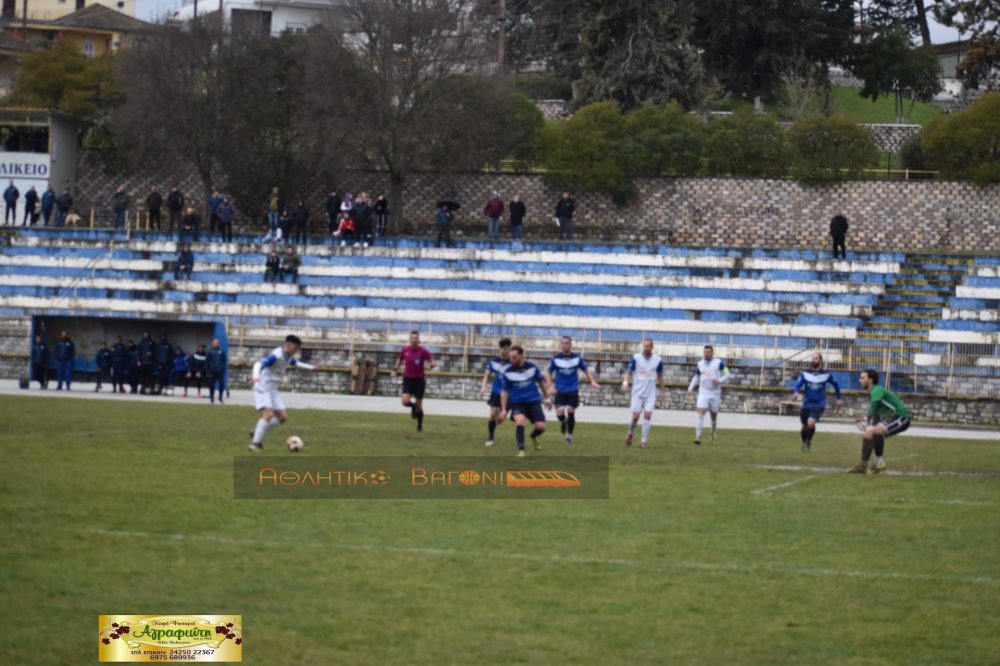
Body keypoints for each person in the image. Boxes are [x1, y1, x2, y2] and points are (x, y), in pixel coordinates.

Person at [248, 334, 323, 451]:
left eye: (297, 349)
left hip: (273, 389)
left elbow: (296, 363)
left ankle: (258, 430)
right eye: (295, 348)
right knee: (268, 414)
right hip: (263, 387)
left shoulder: (288, 356)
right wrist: (256, 378)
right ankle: (255, 444)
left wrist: (312, 367)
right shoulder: (276, 355)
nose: (296, 351)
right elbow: (258, 364)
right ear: (287, 345)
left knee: (282, 418)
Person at [850, 369, 911, 474]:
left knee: (875, 431)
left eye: (862, 378)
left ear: (870, 380)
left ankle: (879, 463)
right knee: (869, 434)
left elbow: (873, 408)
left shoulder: (877, 390)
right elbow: (877, 413)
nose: (859, 380)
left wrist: (866, 418)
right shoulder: (873, 392)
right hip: (891, 418)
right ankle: (863, 466)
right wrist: (870, 425)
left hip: (901, 417)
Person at [498, 345, 553, 458]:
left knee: (541, 427)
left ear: (522, 356)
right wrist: (503, 410)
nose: (511, 360)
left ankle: (533, 436)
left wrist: (547, 399)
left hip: (533, 401)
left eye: (514, 357)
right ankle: (521, 449)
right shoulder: (508, 372)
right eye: (510, 357)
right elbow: (504, 391)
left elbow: (542, 384)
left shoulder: (532, 367)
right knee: (520, 421)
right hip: (517, 403)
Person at [545, 336, 600, 444]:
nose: (564, 345)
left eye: (566, 343)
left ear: (570, 344)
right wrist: (550, 387)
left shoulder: (577, 358)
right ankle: (563, 421)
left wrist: (592, 381)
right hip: (560, 390)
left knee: (571, 411)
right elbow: (548, 373)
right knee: (559, 414)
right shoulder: (556, 358)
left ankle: (569, 435)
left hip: (572, 389)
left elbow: (586, 370)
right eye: (563, 343)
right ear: (561, 344)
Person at [792, 351, 844, 452]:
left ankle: (809, 441)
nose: (813, 360)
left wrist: (838, 398)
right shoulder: (805, 374)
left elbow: (836, 385)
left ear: (820, 360)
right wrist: (796, 393)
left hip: (819, 403)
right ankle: (805, 443)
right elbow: (798, 385)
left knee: (810, 423)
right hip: (807, 403)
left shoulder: (826, 374)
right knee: (804, 427)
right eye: (812, 358)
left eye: (815, 358)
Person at [622, 339, 664, 448]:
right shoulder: (636, 358)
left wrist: (662, 391)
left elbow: (660, 376)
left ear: (652, 347)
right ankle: (630, 432)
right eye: (645, 346)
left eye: (648, 346)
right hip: (637, 392)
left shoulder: (658, 360)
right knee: (635, 417)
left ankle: (643, 442)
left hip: (650, 393)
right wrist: (626, 382)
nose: (646, 348)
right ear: (643, 347)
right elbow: (628, 372)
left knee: (648, 415)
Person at [391, 330, 436, 433]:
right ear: (409, 339)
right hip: (408, 379)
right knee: (405, 401)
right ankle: (413, 407)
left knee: (419, 405)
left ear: (418, 339)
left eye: (416, 338)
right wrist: (394, 370)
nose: (414, 340)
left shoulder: (423, 351)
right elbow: (399, 359)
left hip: (419, 380)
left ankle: (419, 426)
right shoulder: (405, 349)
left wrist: (432, 365)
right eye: (412, 338)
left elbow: (432, 360)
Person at [687, 345, 731, 445]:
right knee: (700, 413)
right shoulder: (700, 364)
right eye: (705, 352)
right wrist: (690, 387)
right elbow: (696, 377)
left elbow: (727, 373)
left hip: (715, 393)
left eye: (708, 352)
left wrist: (719, 381)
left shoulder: (718, 363)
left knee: (713, 415)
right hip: (703, 392)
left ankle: (713, 432)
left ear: (712, 353)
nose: (706, 354)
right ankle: (698, 437)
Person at [479, 338, 512, 447]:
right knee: (493, 413)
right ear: (501, 349)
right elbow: (487, 375)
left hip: (508, 393)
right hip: (496, 391)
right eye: (505, 349)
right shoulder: (494, 361)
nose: (507, 351)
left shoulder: (513, 362)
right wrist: (483, 387)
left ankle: (497, 421)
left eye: (509, 348)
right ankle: (490, 437)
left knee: (502, 417)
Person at [206, 338, 227, 404]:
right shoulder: (210, 351)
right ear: (212, 343)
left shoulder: (221, 351)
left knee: (221, 385)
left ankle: (220, 397)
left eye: (217, 342)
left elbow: (224, 361)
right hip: (212, 371)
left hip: (220, 371)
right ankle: (212, 398)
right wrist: (208, 370)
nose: (216, 344)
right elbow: (207, 362)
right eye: (215, 342)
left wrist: (222, 368)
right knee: (211, 385)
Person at [137, 330, 156, 394]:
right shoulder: (141, 343)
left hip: (150, 362)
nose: (146, 335)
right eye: (144, 334)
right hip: (143, 363)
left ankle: (151, 389)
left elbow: (156, 351)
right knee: (143, 376)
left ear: (149, 335)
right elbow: (138, 352)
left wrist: (152, 353)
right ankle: (143, 389)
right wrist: (138, 360)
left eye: (147, 334)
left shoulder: (152, 342)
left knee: (150, 377)